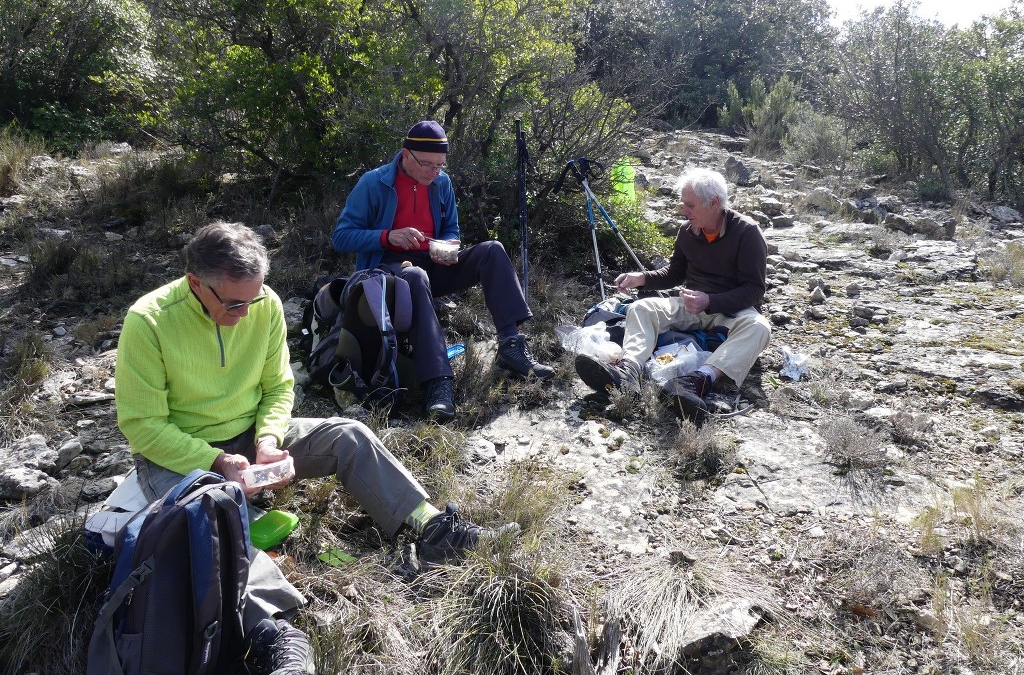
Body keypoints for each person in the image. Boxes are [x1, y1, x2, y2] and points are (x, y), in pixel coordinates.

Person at [114, 221, 518, 675]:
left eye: (254, 298)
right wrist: (216, 461)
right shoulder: (148, 321)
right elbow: (143, 426)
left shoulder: (261, 303)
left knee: (348, 433)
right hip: (179, 456)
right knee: (214, 515)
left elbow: (278, 388)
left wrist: (267, 440)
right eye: (233, 303)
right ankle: (274, 633)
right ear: (195, 283)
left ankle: (434, 529)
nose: (246, 312)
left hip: (250, 435)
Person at [330, 120, 553, 422]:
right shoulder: (374, 183)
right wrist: (387, 236)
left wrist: (449, 245)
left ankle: (511, 346)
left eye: (440, 165)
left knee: (492, 250)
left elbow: (451, 228)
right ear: (406, 155)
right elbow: (341, 236)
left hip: (434, 263)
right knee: (415, 275)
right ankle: (438, 383)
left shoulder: (441, 182)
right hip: (388, 275)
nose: (435, 172)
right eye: (429, 165)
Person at [574, 167, 771, 418]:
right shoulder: (687, 231)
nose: (683, 211)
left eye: (689, 205)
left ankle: (697, 381)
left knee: (760, 328)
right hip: (691, 305)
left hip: (732, 311)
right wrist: (642, 278)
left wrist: (710, 301)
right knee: (642, 307)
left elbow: (754, 291)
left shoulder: (747, 232)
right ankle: (628, 371)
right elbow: (675, 274)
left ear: (714, 203)